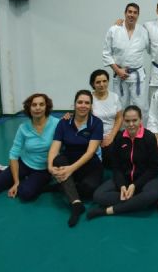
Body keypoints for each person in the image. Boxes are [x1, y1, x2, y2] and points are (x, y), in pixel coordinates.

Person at [0, 93, 59, 201]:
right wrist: (16, 182)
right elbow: (14, 154)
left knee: (25, 194)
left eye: (41, 104)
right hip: (24, 164)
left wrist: (69, 117)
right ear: (29, 108)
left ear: (46, 107)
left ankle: (30, 181)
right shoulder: (23, 128)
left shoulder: (57, 123)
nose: (38, 108)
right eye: (34, 105)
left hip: (43, 169)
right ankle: (2, 171)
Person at [86, 105, 158, 220]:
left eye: (135, 120)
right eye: (127, 121)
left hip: (145, 179)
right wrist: (122, 186)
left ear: (141, 120)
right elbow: (116, 167)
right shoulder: (119, 138)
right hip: (125, 179)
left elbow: (153, 169)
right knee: (98, 196)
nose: (131, 124)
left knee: (151, 194)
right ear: (123, 121)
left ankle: (108, 211)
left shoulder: (149, 138)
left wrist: (135, 185)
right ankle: (139, 201)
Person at [48, 90, 103, 227]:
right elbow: (54, 148)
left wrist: (70, 170)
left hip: (89, 163)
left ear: (91, 106)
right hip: (69, 160)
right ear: (74, 104)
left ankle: (64, 185)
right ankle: (76, 204)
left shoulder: (96, 123)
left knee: (89, 190)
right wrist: (50, 167)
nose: (83, 105)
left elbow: (90, 152)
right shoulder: (63, 123)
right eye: (80, 102)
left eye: (87, 103)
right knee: (58, 160)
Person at [102, 2, 150, 122]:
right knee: (120, 107)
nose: (132, 15)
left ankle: (142, 131)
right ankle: (121, 131)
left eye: (135, 13)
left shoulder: (143, 31)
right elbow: (106, 53)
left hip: (137, 76)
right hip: (119, 75)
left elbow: (151, 49)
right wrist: (117, 70)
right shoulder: (114, 30)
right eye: (129, 12)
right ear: (125, 13)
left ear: (138, 15)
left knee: (141, 107)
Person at [88, 69, 123, 168]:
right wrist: (99, 138)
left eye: (104, 81)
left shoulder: (114, 97)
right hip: (95, 135)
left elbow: (119, 118)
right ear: (93, 84)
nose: (102, 84)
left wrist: (111, 136)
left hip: (113, 133)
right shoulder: (89, 98)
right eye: (98, 82)